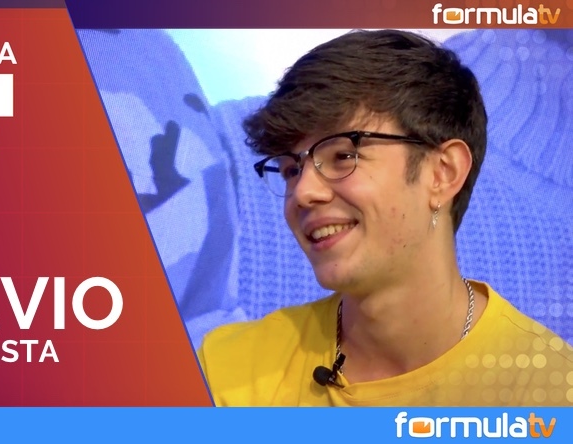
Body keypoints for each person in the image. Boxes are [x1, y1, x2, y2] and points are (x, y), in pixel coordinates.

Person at [197, 29, 573, 407]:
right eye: (291, 170)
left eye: (343, 156)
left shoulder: (550, 394)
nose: (303, 193)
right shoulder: (228, 373)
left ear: (443, 172)